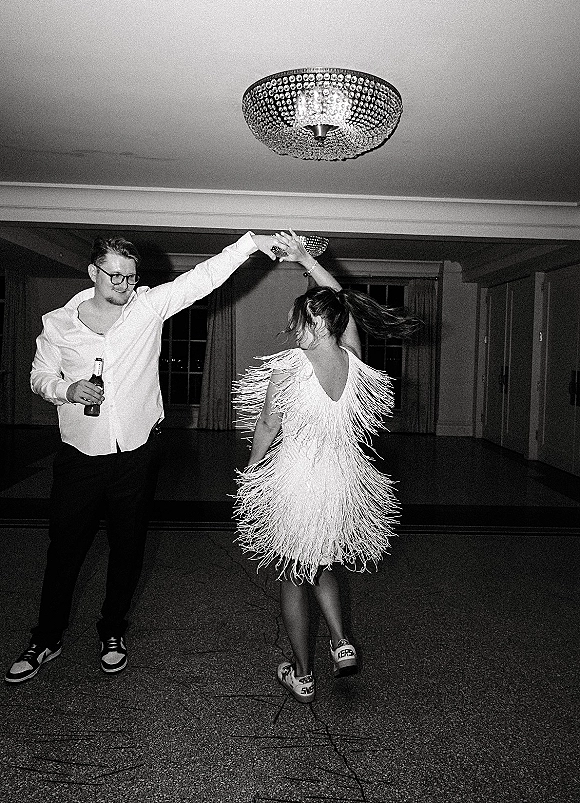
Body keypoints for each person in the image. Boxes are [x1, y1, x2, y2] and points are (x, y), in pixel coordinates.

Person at [5, 230, 286, 684]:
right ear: (94, 273)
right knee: (65, 551)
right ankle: (46, 638)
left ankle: (112, 631)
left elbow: (204, 278)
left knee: (128, 549)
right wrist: (66, 389)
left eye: (131, 277)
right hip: (81, 455)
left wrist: (250, 243)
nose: (124, 285)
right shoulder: (58, 323)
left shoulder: (147, 307)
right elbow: (38, 376)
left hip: (137, 452)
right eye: (115, 276)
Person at [233, 230, 418, 703]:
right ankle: (340, 638)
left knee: (294, 574)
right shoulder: (356, 362)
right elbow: (341, 303)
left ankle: (302, 673)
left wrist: (252, 476)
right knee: (322, 564)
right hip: (340, 482)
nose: (294, 330)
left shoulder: (289, 369)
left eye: (299, 322)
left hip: (297, 483)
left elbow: (268, 427)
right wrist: (304, 261)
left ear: (314, 325)